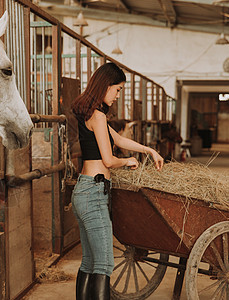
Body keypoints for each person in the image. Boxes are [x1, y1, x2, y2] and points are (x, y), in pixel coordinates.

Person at [71, 62, 163, 300]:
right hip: (93, 191)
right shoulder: (98, 115)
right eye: (117, 89)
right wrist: (128, 162)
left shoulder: (90, 113)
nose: (118, 95)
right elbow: (110, 160)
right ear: (105, 85)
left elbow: (119, 140)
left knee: (90, 262)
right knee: (104, 263)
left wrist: (148, 150)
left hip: (85, 189)